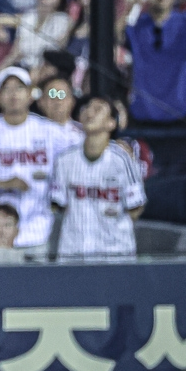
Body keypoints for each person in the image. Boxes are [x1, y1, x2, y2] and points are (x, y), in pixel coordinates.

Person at [0, 66, 74, 259]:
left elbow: (84, 149)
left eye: (19, 88)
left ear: (30, 95)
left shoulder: (50, 131)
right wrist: (5, 183)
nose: (13, 94)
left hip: (37, 232)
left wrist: (118, 144)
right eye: (7, 89)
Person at [51, 96, 146, 263]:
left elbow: (135, 207)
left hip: (115, 253)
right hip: (73, 252)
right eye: (86, 108)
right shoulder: (65, 160)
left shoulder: (122, 159)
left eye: (98, 109)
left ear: (111, 123)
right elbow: (57, 205)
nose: (90, 112)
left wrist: (111, 222)